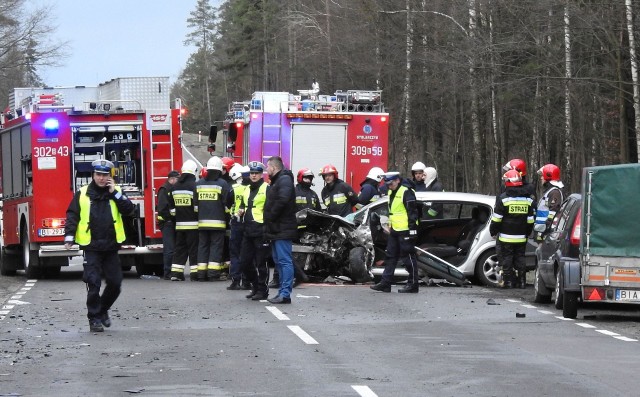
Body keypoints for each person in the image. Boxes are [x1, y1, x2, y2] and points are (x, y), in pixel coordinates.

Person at [64, 159, 136, 332]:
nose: (102, 178)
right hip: (92, 246)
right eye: (98, 175)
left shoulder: (116, 191)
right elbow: (72, 215)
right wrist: (69, 237)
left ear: (110, 176)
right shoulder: (82, 193)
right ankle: (94, 318)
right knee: (93, 283)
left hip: (111, 246)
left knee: (115, 283)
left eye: (105, 175)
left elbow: (129, 210)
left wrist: (114, 193)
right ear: (93, 175)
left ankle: (103, 309)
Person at [370, 172, 420, 293]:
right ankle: (386, 283)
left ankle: (413, 284)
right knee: (391, 256)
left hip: (405, 230)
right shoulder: (392, 191)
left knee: (408, 257)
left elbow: (412, 213)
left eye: (391, 183)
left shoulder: (406, 192)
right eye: (387, 184)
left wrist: (412, 231)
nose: (389, 186)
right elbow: (394, 212)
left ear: (398, 180)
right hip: (395, 230)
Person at [490, 170, 535, 289]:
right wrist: (528, 232)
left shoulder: (503, 199)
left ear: (508, 182)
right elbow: (530, 220)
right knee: (520, 257)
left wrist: (493, 231)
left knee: (507, 258)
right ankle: (522, 282)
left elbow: (497, 219)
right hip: (521, 236)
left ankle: (508, 282)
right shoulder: (528, 200)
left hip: (506, 236)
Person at [264, 156, 298, 304]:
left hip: (282, 228)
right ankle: (282, 292)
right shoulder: (279, 181)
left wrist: (271, 216)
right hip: (278, 228)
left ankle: (285, 293)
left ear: (274, 167)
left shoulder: (284, 180)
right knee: (279, 261)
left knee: (284, 261)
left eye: (267, 167)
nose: (266, 170)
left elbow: (282, 201)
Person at [194, 156, 230, 281]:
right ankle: (213, 274)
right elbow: (227, 206)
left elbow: (195, 207)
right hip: (218, 224)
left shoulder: (198, 184)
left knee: (202, 247)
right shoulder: (223, 184)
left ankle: (201, 274)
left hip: (202, 223)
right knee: (216, 247)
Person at [239, 161, 270, 301]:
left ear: (261, 174)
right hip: (247, 229)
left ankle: (262, 290)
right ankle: (255, 285)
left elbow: (271, 210)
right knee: (244, 262)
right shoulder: (246, 189)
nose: (254, 175)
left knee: (261, 263)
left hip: (261, 229)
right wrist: (240, 211)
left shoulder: (266, 188)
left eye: (256, 173)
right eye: (252, 173)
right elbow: (242, 205)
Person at [168, 160, 199, 281]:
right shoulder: (194, 186)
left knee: (179, 249)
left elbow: (172, 209)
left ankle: (176, 273)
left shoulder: (174, 187)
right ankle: (195, 274)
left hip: (179, 225)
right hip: (193, 225)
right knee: (193, 250)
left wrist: (177, 218)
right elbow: (196, 207)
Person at [227, 164, 250, 290]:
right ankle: (247, 281)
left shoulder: (234, 188)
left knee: (235, 252)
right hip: (250, 223)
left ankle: (235, 280)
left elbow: (227, 203)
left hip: (237, 223)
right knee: (247, 253)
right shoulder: (255, 188)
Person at [157, 170, 180, 280]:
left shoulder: (172, 189)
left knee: (174, 249)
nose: (178, 181)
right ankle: (167, 272)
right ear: (171, 179)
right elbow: (162, 208)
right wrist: (171, 218)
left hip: (172, 222)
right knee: (169, 249)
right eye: (177, 179)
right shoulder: (164, 189)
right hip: (167, 223)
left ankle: (172, 271)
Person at [534, 164, 564, 241]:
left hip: (546, 231)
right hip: (542, 229)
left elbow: (553, 212)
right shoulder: (550, 191)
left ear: (548, 176)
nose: (541, 178)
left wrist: (546, 227)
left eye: (542, 176)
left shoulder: (554, 192)